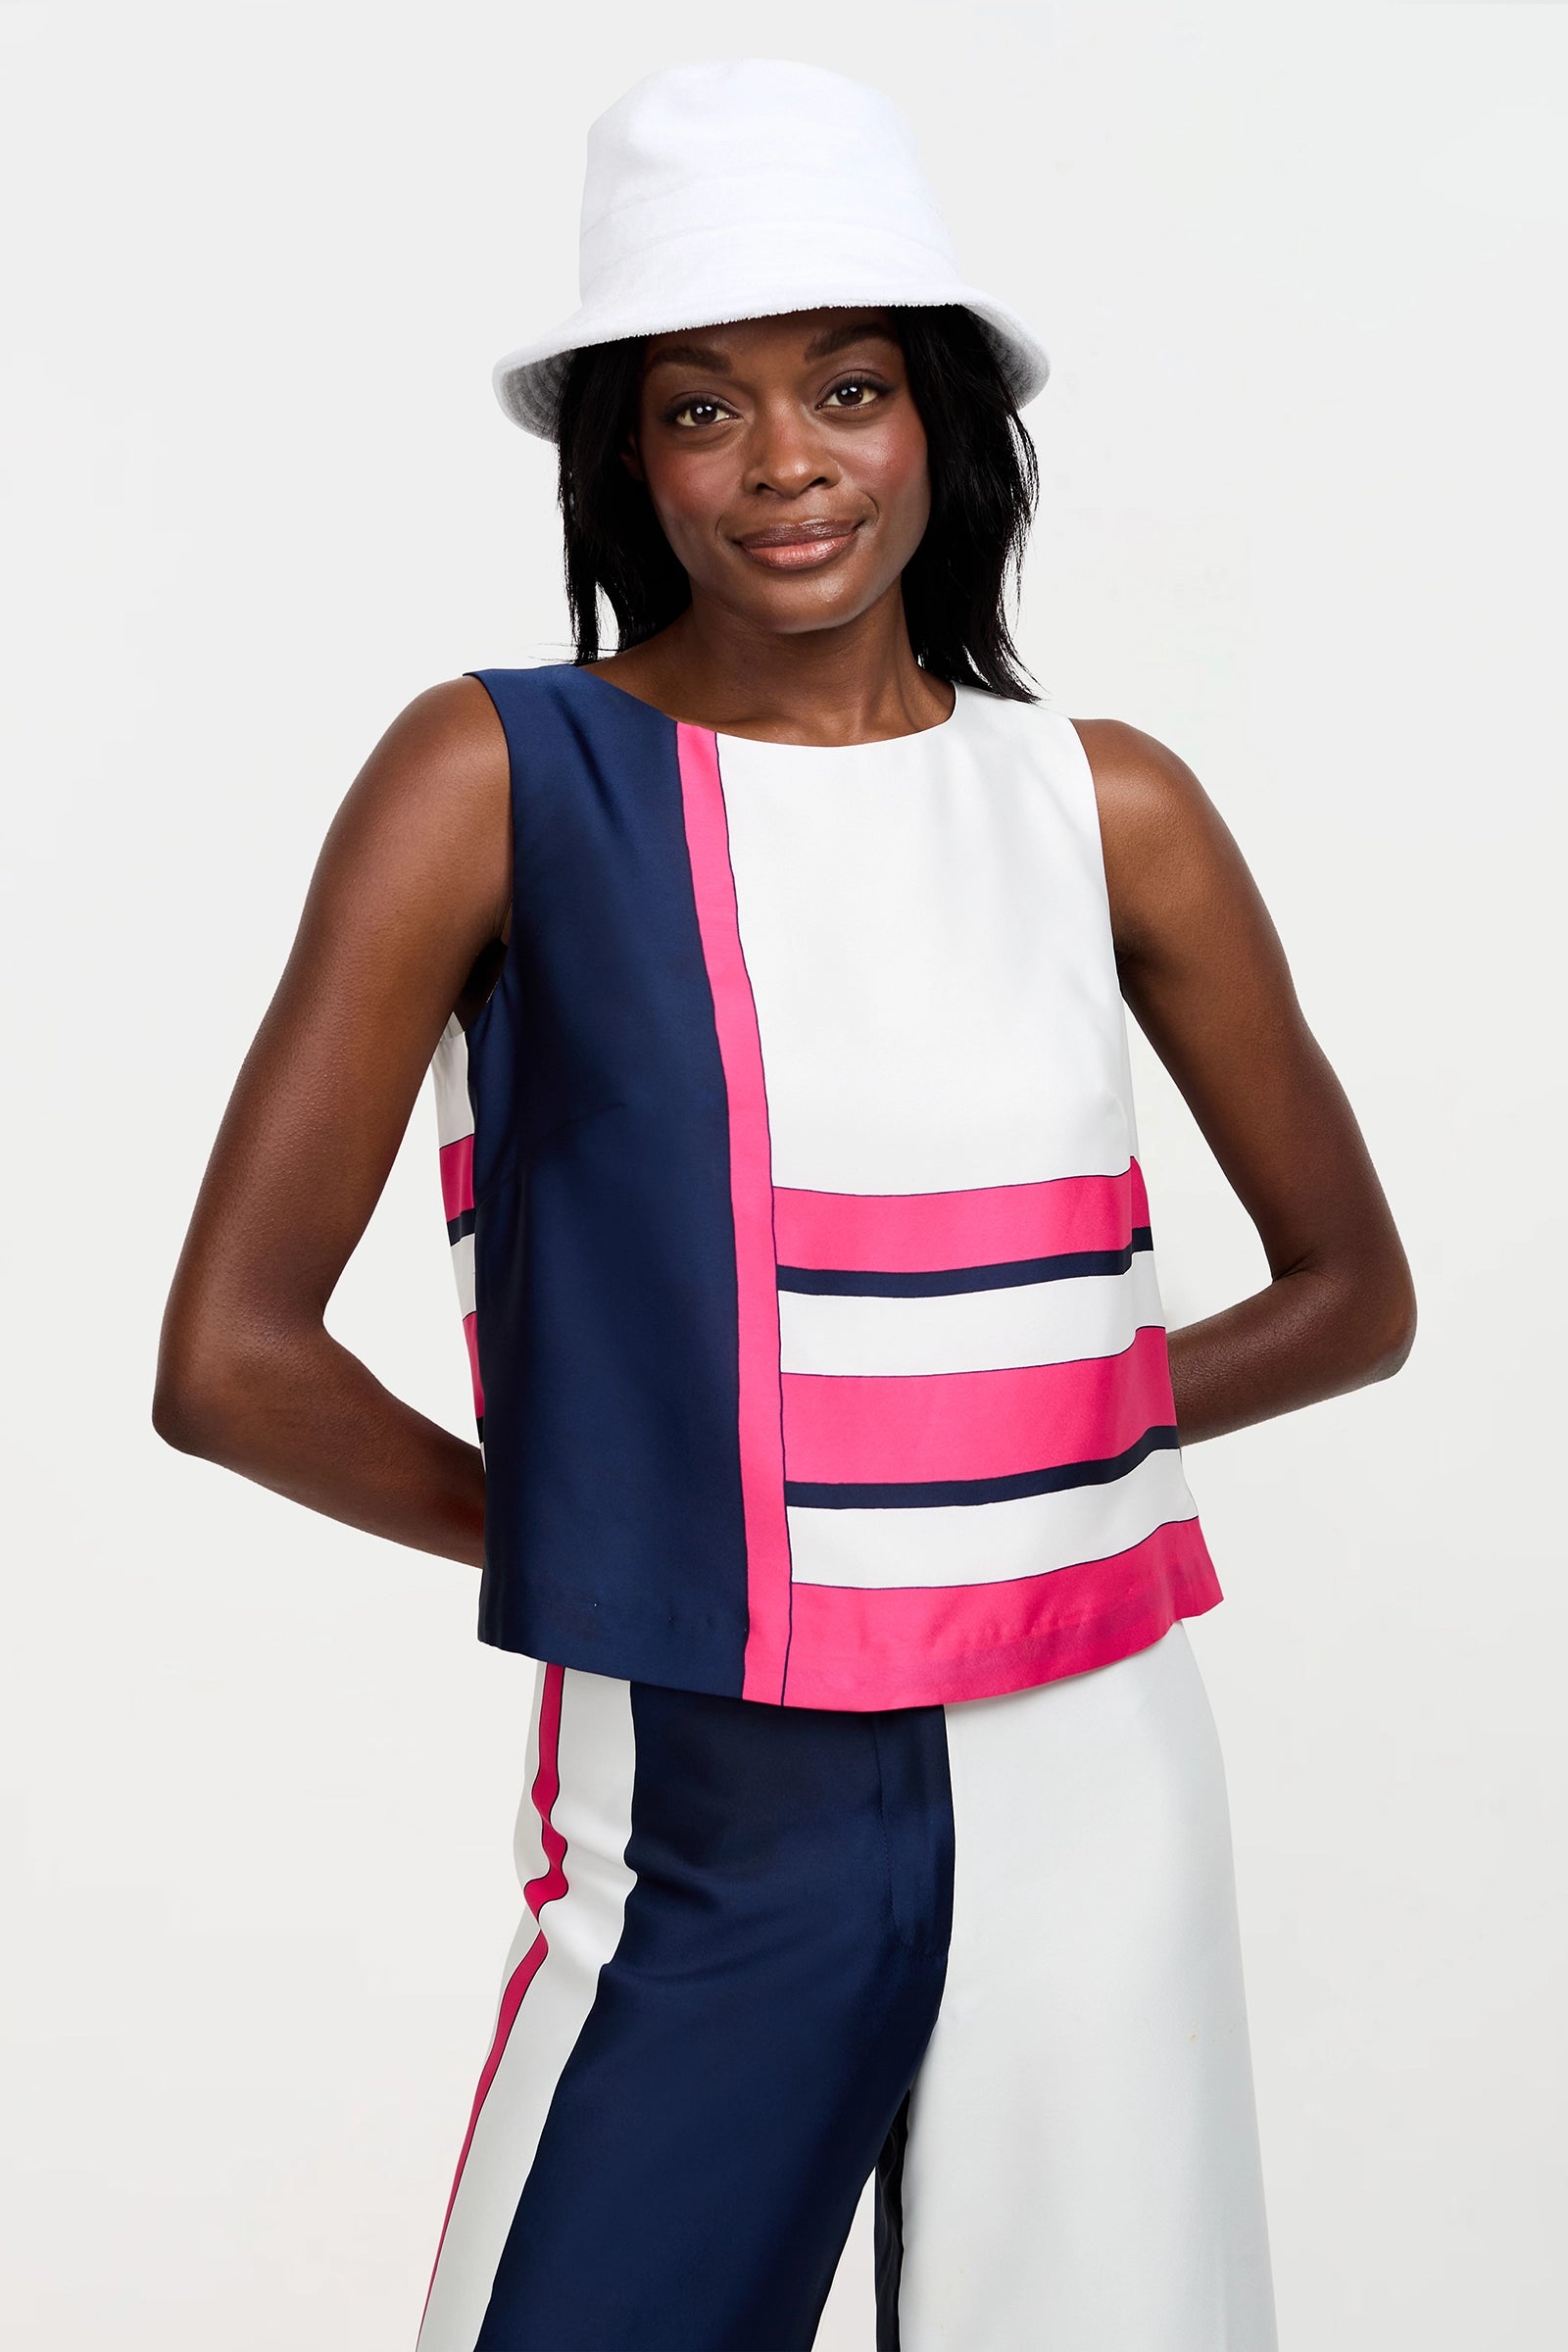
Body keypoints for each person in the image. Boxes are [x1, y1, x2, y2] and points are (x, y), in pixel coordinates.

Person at [153, 56, 1415, 2352]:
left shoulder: (1099, 806)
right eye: (699, 409)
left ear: (939, 417)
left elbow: (1349, 1294)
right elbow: (227, 1363)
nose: (787, 467)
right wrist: (647, 1510)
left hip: (1090, 1772)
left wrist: (1015, 1443)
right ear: (624, 459)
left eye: (844, 387)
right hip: (710, 1811)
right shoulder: (500, 776)